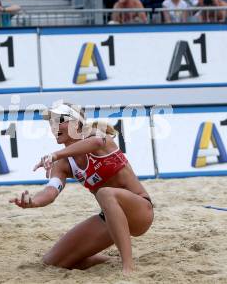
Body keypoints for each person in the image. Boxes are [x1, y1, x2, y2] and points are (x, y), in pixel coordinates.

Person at [10, 103, 154, 274]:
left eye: (60, 120)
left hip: (140, 211)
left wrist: (55, 154)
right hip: (111, 219)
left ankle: (128, 267)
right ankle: (110, 261)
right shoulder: (63, 164)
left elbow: (97, 142)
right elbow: (50, 191)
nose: (54, 125)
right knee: (53, 261)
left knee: (105, 193)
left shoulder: (95, 136)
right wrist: (32, 202)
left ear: (77, 123)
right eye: (51, 122)